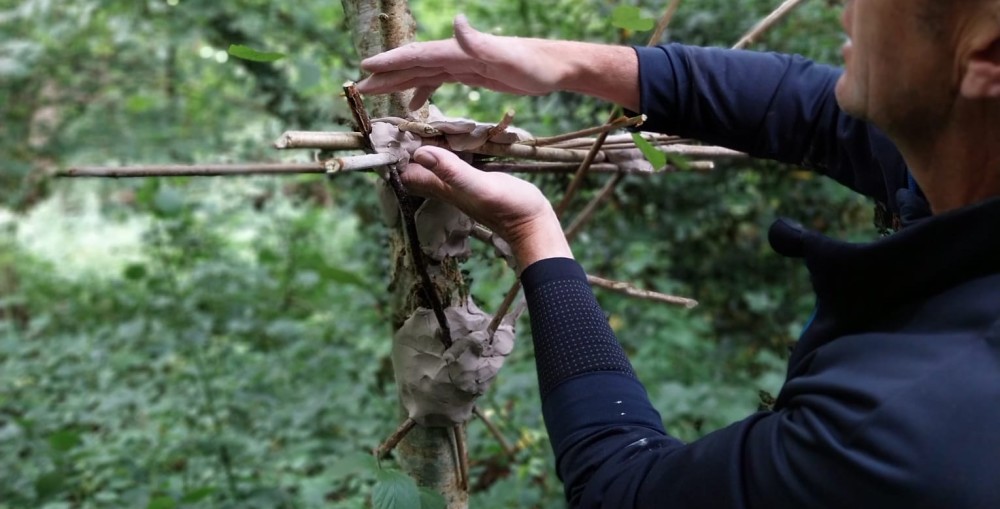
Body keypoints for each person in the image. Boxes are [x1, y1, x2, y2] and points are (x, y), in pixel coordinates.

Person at [357, 1, 1000, 507]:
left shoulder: (901, 429)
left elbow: (622, 489)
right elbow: (813, 111)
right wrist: (562, 65)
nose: (845, 8)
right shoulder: (968, 150)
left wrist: (534, 233)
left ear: (986, 57)